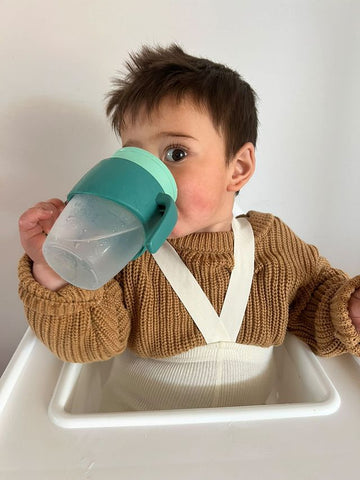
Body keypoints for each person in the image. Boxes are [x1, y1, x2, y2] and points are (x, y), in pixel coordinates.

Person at [18, 44, 360, 410]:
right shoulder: (123, 251)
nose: (151, 176)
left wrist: (349, 310)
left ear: (238, 168)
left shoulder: (274, 246)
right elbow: (86, 344)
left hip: (246, 436)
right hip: (139, 436)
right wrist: (59, 267)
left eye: (176, 154)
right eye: (135, 158)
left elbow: (316, 306)